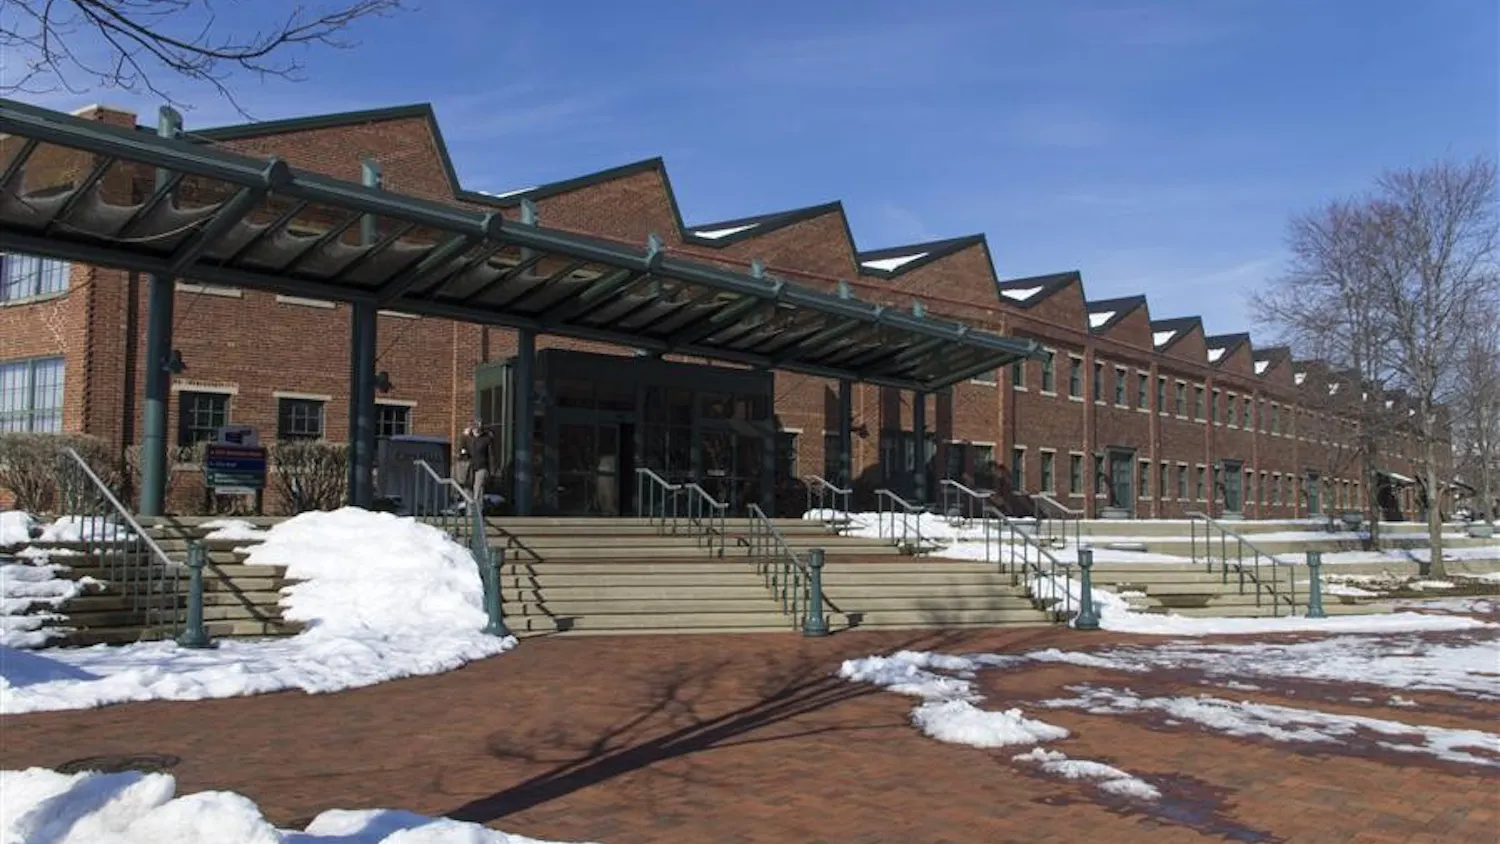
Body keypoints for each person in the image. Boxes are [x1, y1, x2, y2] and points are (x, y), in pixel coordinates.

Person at [459, 420, 494, 508]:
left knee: (478, 489)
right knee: (468, 489)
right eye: (474, 427)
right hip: (469, 467)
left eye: (477, 427)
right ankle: (469, 513)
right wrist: (464, 435)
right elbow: (461, 449)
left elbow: (491, 455)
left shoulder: (486, 439)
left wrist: (491, 470)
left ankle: (478, 511)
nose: (475, 429)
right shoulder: (468, 438)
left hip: (481, 466)